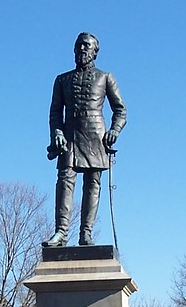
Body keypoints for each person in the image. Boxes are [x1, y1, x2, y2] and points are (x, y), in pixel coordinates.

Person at [43, 32, 127, 247]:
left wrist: (115, 130)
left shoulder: (105, 77)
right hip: (69, 136)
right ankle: (61, 232)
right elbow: (55, 112)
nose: (82, 49)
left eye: (87, 46)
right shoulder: (62, 80)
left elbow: (120, 110)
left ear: (95, 52)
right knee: (64, 181)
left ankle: (86, 233)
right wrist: (57, 133)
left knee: (92, 184)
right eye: (79, 45)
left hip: (95, 137)